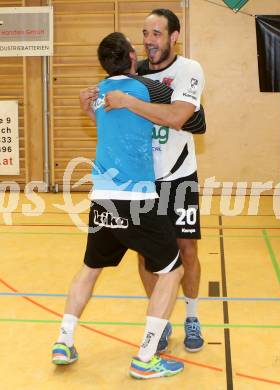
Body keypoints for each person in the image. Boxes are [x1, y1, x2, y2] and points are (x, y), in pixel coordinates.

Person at [52, 32, 204, 379]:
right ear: (133, 57)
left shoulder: (101, 92)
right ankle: (146, 356)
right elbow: (181, 118)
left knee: (90, 268)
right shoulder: (145, 90)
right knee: (173, 271)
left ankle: (63, 339)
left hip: (102, 197)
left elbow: (111, 128)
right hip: (137, 198)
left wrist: (86, 107)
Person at [84, 9, 206, 353]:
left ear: (174, 36)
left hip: (179, 175)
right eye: (145, 34)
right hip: (141, 181)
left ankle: (193, 315)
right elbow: (112, 121)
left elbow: (178, 117)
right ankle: (160, 321)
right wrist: (90, 108)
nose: (149, 40)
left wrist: (129, 101)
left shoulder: (188, 70)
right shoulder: (132, 73)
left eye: (156, 33)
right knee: (146, 256)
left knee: (186, 248)